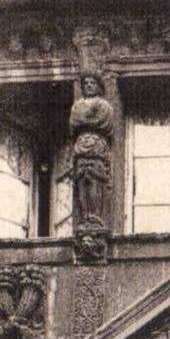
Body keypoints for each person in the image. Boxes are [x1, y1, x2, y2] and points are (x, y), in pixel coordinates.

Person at [68, 74, 114, 227]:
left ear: (99, 86)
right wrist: (89, 119)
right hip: (81, 147)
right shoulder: (77, 105)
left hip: (96, 147)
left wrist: (84, 120)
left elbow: (104, 122)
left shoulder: (104, 105)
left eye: (92, 83)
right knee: (81, 185)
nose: (88, 85)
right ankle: (85, 217)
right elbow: (74, 122)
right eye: (85, 83)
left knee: (95, 183)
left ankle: (95, 217)